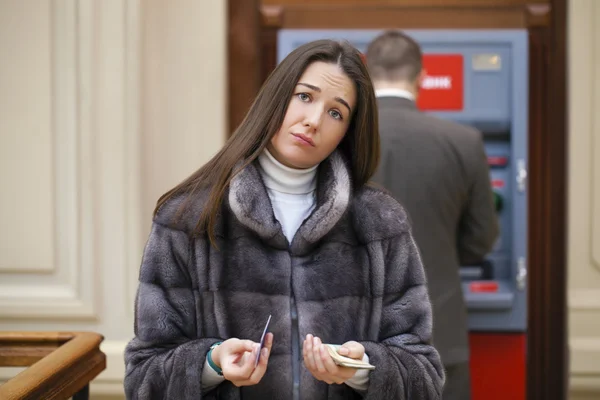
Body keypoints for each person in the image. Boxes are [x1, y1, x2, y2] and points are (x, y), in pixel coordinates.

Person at [124, 39, 444, 400]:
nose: (313, 120)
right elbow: (144, 377)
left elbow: (424, 376)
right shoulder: (189, 218)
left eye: (336, 113)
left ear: (346, 133)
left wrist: (362, 369)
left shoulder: (379, 222)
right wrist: (211, 364)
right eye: (304, 96)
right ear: (277, 97)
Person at [365, 31, 499, 399]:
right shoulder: (464, 141)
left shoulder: (338, 138)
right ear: (422, 77)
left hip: (352, 341)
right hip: (438, 332)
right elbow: (480, 241)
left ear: (366, 73)